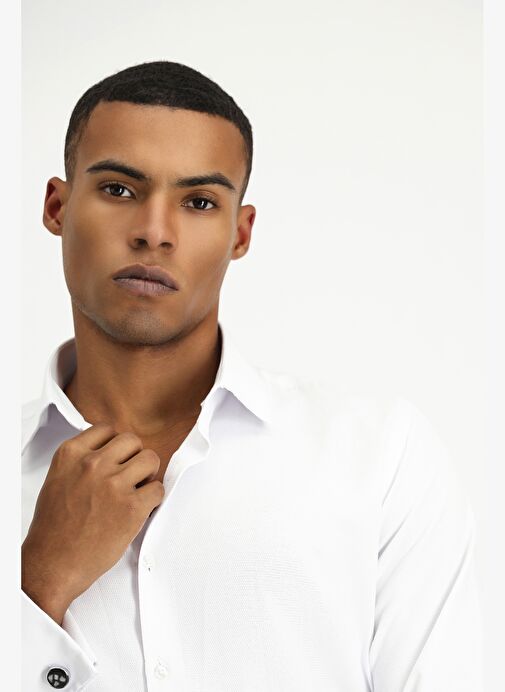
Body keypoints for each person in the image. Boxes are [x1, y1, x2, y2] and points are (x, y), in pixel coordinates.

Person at [21, 60, 483, 692]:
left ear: (240, 233)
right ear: (57, 205)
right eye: (120, 190)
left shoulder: (380, 457)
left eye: (199, 202)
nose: (154, 233)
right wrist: (38, 583)